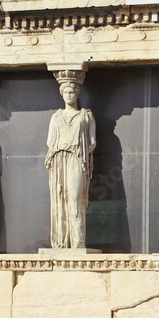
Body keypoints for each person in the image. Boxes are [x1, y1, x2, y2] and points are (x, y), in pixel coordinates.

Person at [45, 72, 96, 249]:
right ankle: (61, 242)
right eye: (66, 92)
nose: (69, 95)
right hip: (58, 160)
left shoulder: (86, 115)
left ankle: (78, 242)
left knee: (75, 198)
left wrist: (77, 151)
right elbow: (49, 141)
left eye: (72, 92)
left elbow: (92, 142)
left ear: (78, 94)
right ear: (62, 94)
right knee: (60, 199)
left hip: (76, 159)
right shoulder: (56, 117)